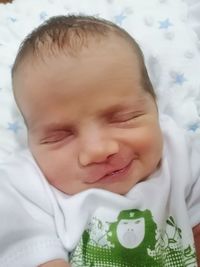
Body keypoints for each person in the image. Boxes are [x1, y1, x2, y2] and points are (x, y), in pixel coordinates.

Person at [0, 15, 199, 267]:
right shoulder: (25, 185)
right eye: (60, 135)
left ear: (155, 106)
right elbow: (25, 248)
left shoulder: (178, 150)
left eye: (123, 118)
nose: (97, 150)